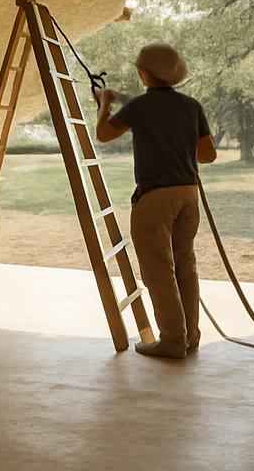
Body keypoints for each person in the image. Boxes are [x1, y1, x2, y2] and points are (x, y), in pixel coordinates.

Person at [93, 42, 217, 359]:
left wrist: (104, 103)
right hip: (188, 194)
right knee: (184, 266)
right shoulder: (191, 106)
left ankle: (173, 340)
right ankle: (189, 337)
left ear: (143, 73)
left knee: (158, 270)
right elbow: (208, 155)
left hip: (154, 198)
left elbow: (104, 134)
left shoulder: (141, 108)